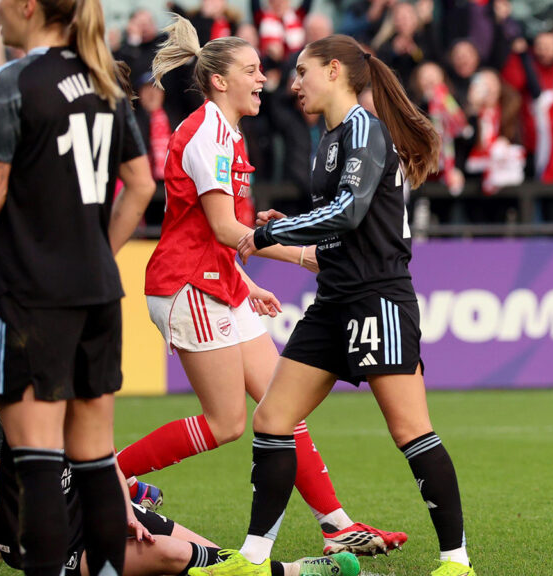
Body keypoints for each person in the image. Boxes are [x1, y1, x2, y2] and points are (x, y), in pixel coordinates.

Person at [121, 14, 406, 557]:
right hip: (187, 286)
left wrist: (246, 279)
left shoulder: (228, 131)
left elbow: (217, 233)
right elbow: (227, 229)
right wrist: (304, 256)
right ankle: (106, 474)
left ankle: (337, 523)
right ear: (220, 80)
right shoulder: (208, 132)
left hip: (218, 280)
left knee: (280, 405)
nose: (265, 79)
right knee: (227, 421)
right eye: (252, 70)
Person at [205, 34, 475, 576]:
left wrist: (267, 238)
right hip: (335, 299)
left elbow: (349, 213)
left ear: (334, 71)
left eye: (302, 72)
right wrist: (287, 234)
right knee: (273, 419)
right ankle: (253, 557)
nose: (293, 83)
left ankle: (456, 562)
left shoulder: (364, 131)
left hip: (379, 298)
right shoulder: (327, 138)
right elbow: (337, 228)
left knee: (411, 431)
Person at [0, 1, 156, 576]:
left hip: (29, 297)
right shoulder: (103, 81)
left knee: (40, 460)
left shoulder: (17, 81)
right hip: (98, 293)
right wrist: (98, 251)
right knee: (95, 459)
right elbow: (141, 185)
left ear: (29, 7)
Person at [0, 401, 359, 576]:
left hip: (91, 515)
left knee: (222, 560)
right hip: (46, 549)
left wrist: (129, 512)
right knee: (172, 554)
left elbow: (102, 458)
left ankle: (285, 573)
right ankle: (295, 571)